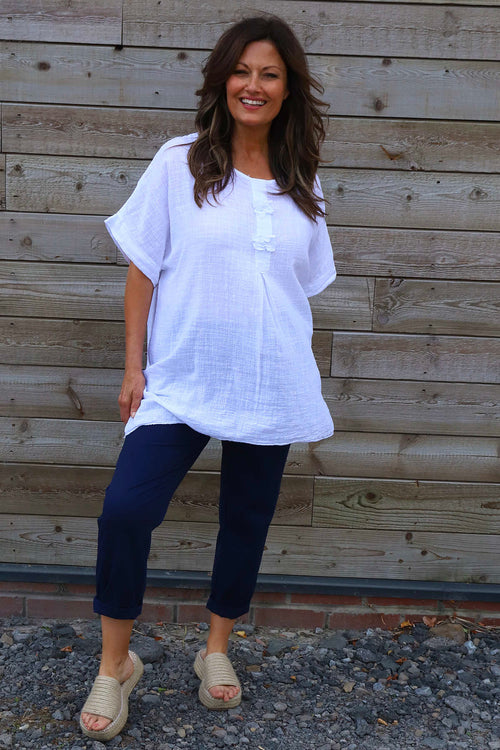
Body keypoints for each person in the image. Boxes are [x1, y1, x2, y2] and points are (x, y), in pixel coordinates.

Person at [80, 13, 336, 742]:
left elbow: (298, 285)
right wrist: (134, 367)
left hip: (268, 381)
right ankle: (116, 664)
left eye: (270, 74)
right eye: (242, 71)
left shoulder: (300, 180)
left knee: (246, 518)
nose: (254, 85)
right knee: (126, 512)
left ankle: (216, 648)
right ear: (223, 80)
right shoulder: (180, 163)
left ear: (287, 89)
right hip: (182, 380)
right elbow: (142, 270)